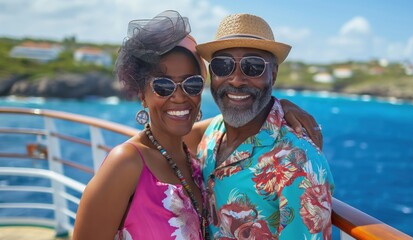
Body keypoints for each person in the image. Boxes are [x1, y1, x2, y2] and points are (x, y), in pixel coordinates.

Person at [73, 10, 322, 240]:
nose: (179, 97)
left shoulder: (202, 146)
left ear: (273, 74)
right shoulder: (125, 163)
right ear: (142, 93)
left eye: (254, 67)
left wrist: (279, 107)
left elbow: (247, 118)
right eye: (163, 86)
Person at [194, 13, 334, 239]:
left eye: (253, 66)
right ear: (212, 74)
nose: (237, 80)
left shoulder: (299, 161)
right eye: (223, 66)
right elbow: (164, 138)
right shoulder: (214, 131)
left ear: (274, 74)